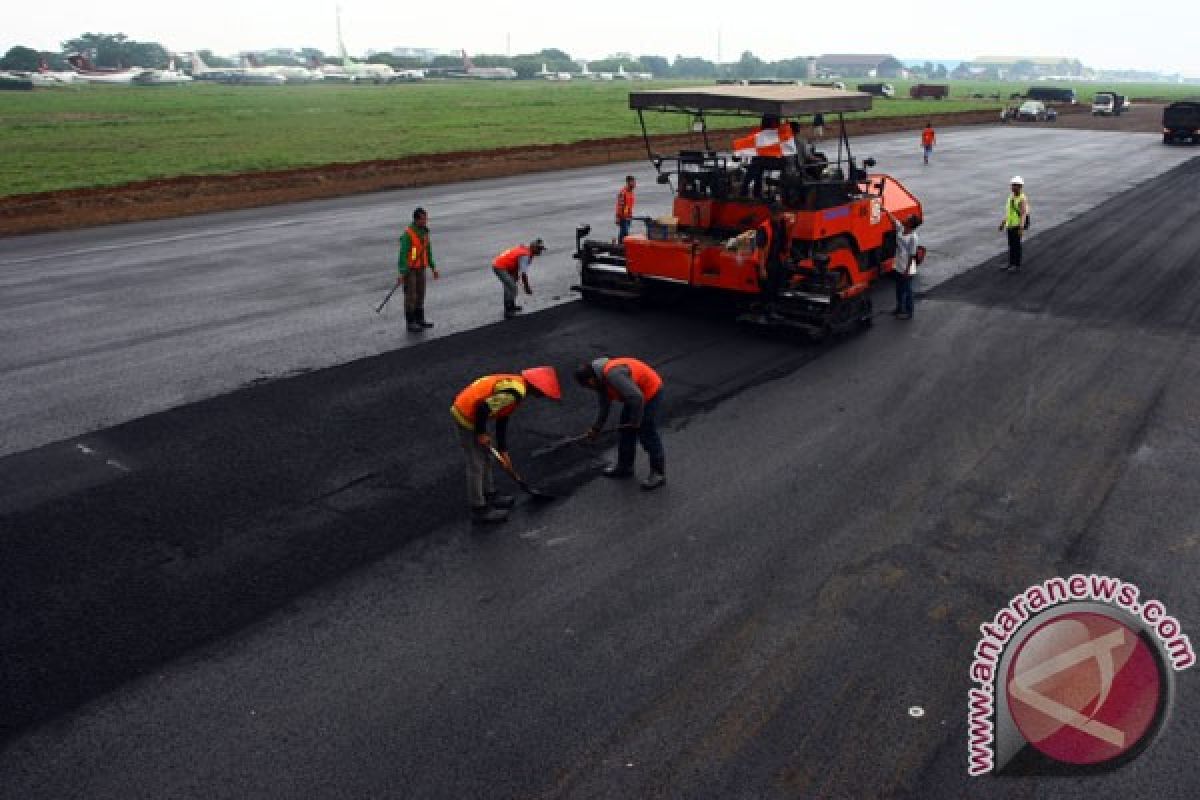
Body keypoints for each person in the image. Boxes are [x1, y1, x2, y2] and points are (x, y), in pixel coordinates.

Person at [450, 367, 562, 523]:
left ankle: (490, 494)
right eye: (543, 393)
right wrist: (481, 433)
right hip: (466, 414)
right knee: (476, 463)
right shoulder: (515, 392)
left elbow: (502, 419)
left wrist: (503, 451)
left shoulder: (517, 387)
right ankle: (479, 509)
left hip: (474, 412)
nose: (542, 396)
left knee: (487, 457)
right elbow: (483, 408)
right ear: (536, 387)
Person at [574, 357, 666, 490]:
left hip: (650, 392)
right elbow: (604, 407)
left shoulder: (613, 375)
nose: (590, 389)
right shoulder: (600, 381)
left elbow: (637, 398)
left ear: (591, 380)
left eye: (588, 386)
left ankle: (658, 473)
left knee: (647, 433)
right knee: (625, 432)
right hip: (634, 395)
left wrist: (635, 422)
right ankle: (625, 467)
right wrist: (596, 428)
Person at [396, 207, 439, 333]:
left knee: (421, 294)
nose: (426, 221)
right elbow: (403, 254)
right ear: (416, 220)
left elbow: (427, 251)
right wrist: (402, 271)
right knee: (411, 296)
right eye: (423, 219)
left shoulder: (424, 233)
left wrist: (433, 267)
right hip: (410, 270)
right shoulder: (408, 235)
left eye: (426, 218)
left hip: (421, 268)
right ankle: (410, 322)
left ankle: (420, 319)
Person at [492, 239, 545, 319]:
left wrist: (515, 275)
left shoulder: (525, 250)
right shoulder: (525, 255)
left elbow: (516, 264)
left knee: (509, 287)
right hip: (500, 267)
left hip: (503, 266)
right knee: (512, 288)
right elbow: (523, 273)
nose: (540, 251)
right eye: (539, 249)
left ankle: (511, 306)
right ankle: (508, 311)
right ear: (533, 247)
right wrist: (527, 287)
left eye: (541, 249)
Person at [885, 209, 921, 319]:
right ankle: (899, 308)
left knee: (907, 290)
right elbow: (894, 220)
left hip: (907, 268)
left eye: (907, 218)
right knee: (899, 289)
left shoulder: (913, 238)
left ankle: (909, 312)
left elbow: (912, 255)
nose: (904, 218)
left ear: (910, 223)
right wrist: (885, 210)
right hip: (898, 264)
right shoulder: (901, 229)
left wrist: (907, 270)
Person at [998, 176, 1030, 272]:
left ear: (1020, 186)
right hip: (1010, 225)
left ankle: (1016, 265)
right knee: (1011, 245)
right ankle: (1011, 263)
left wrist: (1021, 228)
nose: (1013, 187)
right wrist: (1003, 222)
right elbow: (1010, 212)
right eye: (1012, 185)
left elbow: (1023, 213)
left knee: (1016, 245)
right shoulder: (1011, 197)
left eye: (1016, 185)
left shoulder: (1022, 198)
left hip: (1017, 225)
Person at [615, 175, 637, 243]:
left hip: (628, 216)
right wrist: (618, 217)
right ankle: (621, 245)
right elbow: (619, 205)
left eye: (634, 182)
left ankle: (621, 245)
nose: (634, 183)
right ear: (628, 182)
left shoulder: (631, 192)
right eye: (632, 182)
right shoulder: (623, 192)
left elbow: (629, 205)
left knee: (624, 232)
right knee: (625, 232)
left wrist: (630, 215)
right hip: (623, 216)